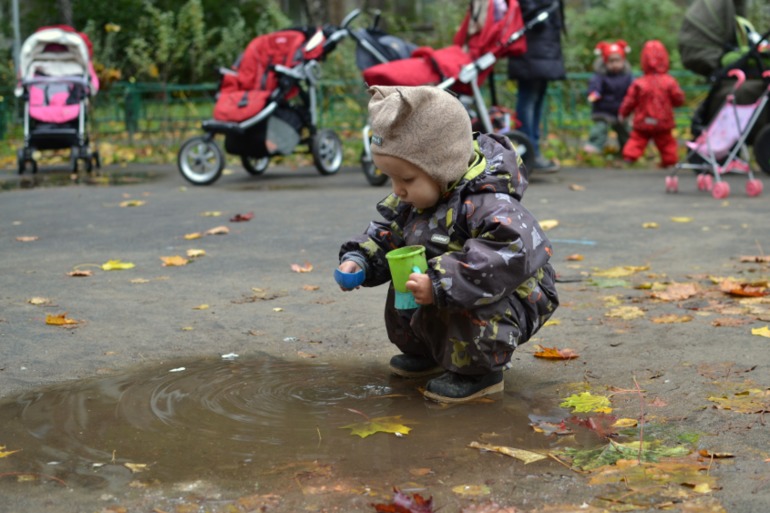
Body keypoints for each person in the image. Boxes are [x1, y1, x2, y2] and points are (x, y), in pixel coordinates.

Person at [336, 85, 559, 404]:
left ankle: (479, 371)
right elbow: (387, 234)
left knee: (450, 293)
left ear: (443, 166)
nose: (397, 190)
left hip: (513, 296)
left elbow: (511, 253)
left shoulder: (488, 203)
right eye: (391, 179)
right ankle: (429, 352)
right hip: (449, 286)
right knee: (408, 283)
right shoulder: (416, 200)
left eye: (407, 179)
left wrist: (441, 281)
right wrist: (359, 258)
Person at [506, 0, 566, 173]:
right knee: (529, 98)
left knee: (536, 97)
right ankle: (529, 151)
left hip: (543, 49)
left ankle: (532, 150)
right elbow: (527, 11)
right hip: (533, 48)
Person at [618, 40, 685, 167]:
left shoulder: (640, 82)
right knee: (666, 142)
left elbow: (630, 100)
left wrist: (623, 113)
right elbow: (678, 98)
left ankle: (629, 158)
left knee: (637, 139)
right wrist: (677, 102)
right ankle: (669, 162)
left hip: (643, 119)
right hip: (663, 120)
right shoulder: (669, 81)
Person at [583, 40, 633, 155]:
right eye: (611, 61)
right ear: (605, 62)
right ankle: (593, 149)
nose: (615, 64)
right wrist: (593, 95)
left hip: (621, 110)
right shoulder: (600, 76)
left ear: (623, 61)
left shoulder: (627, 76)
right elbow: (595, 88)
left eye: (618, 61)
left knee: (625, 131)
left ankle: (627, 151)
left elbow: (632, 90)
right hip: (603, 110)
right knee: (599, 129)